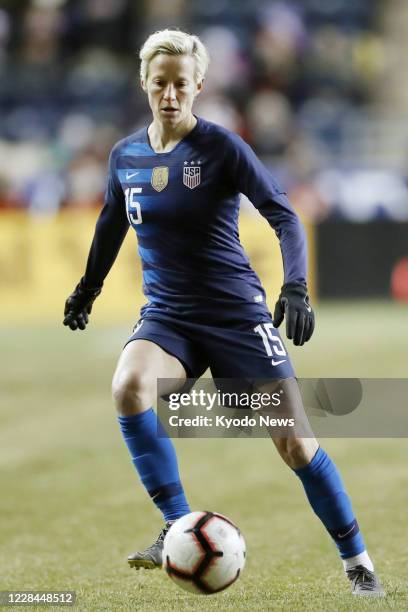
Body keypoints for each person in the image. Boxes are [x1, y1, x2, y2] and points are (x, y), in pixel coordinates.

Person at [63, 29, 384, 596]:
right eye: (159, 83)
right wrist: (88, 288)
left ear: (199, 87)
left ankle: (357, 562)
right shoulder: (125, 155)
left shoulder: (223, 148)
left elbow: (284, 215)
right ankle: (175, 525)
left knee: (294, 443)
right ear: (144, 83)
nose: (169, 95)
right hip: (169, 318)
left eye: (180, 84)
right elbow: (112, 222)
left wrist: (296, 287)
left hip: (236, 316)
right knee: (130, 385)